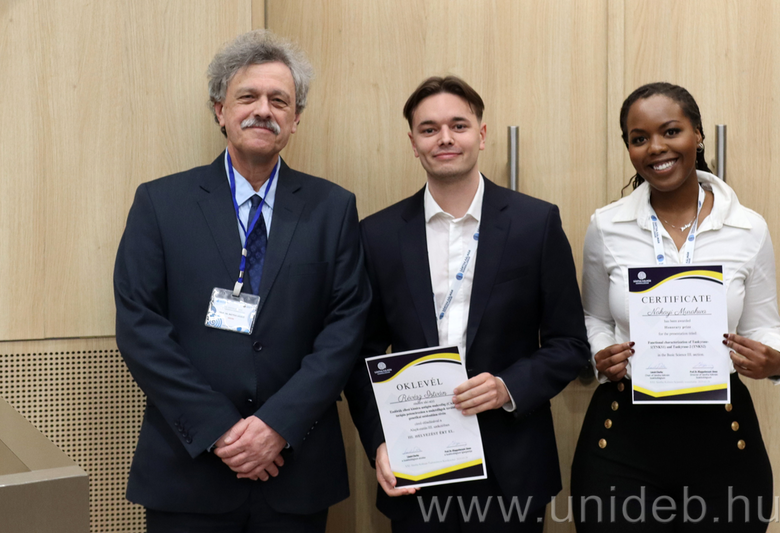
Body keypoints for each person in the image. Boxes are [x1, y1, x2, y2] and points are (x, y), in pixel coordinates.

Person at [113, 30, 370, 532]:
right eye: (247, 97)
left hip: (294, 470)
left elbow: (345, 328)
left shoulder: (333, 208)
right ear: (220, 110)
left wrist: (277, 425)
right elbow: (140, 328)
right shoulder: (160, 204)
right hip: (189, 472)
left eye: (280, 100)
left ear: (296, 118)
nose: (263, 110)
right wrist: (221, 430)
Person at [346, 75, 590, 532]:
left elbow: (570, 344)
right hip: (416, 466)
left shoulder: (535, 223)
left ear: (481, 134)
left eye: (458, 125)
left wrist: (506, 387)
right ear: (413, 143)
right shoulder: (377, 235)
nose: (445, 138)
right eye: (429, 129)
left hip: (511, 469)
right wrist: (381, 441)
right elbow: (360, 354)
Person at [571, 82, 780, 532]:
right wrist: (600, 356)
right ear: (629, 148)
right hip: (623, 436)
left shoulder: (747, 228)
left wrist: (776, 361)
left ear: (698, 135)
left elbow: (765, 325)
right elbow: (593, 317)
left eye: (670, 131)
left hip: (722, 439)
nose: (656, 147)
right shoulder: (607, 226)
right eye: (639, 138)